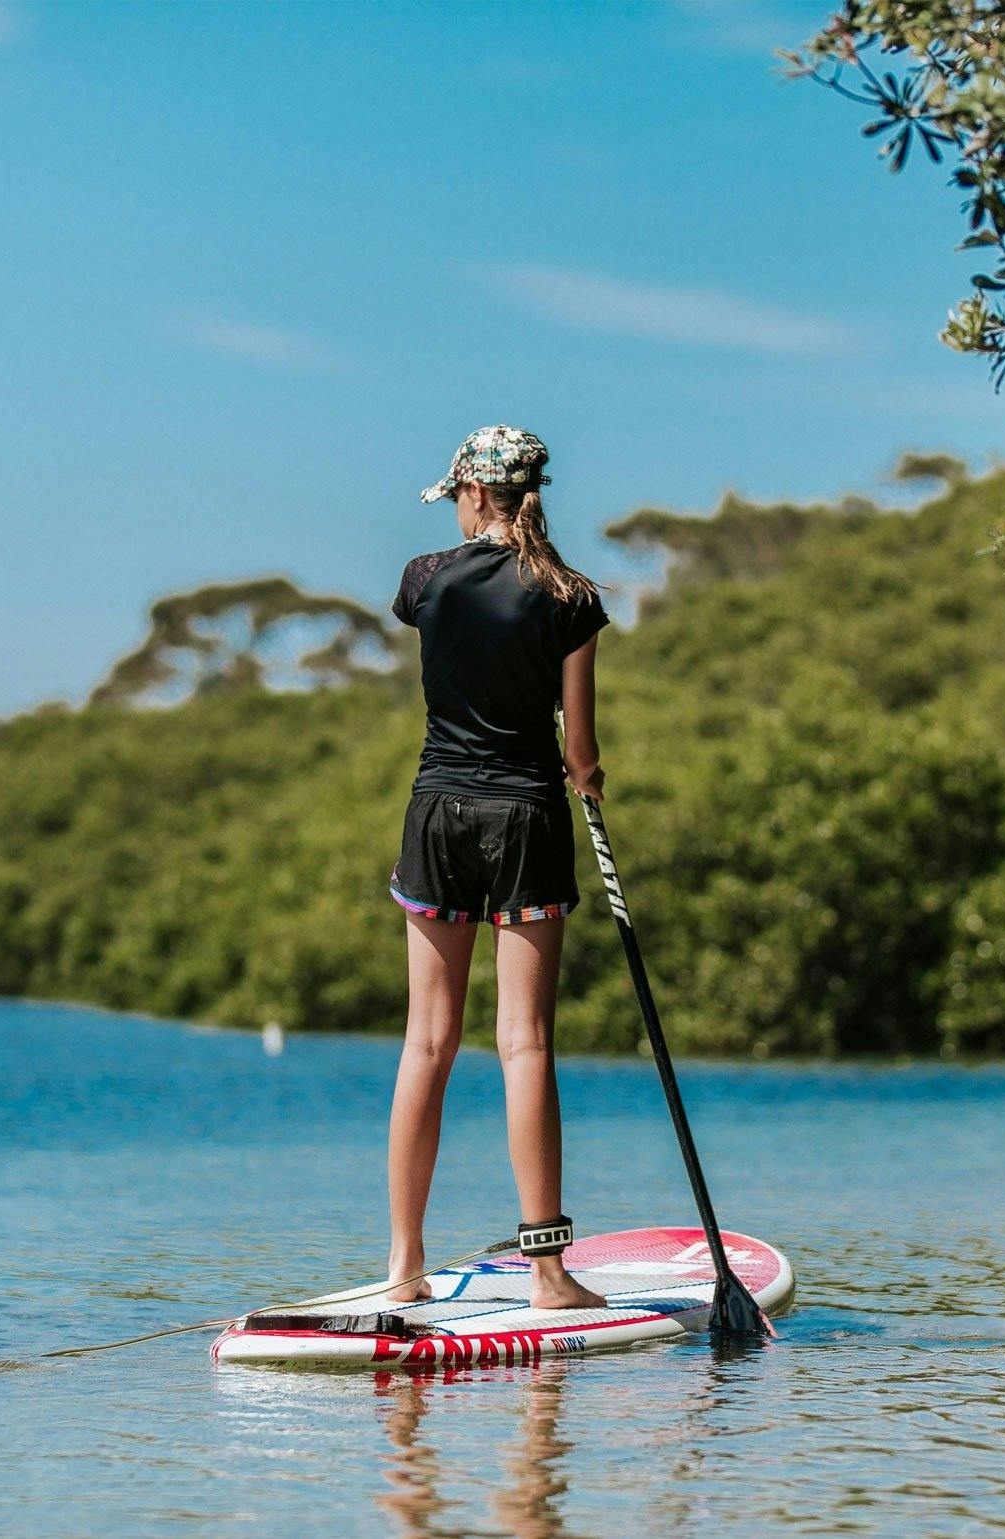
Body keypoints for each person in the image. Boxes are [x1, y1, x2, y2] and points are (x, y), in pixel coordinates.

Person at [384, 425, 609, 1311]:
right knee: (526, 1043)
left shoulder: (422, 579)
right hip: (526, 818)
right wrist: (588, 779)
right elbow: (579, 748)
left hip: (437, 815)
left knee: (427, 1043)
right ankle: (549, 1273)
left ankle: (406, 1265)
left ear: (474, 495)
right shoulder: (572, 598)